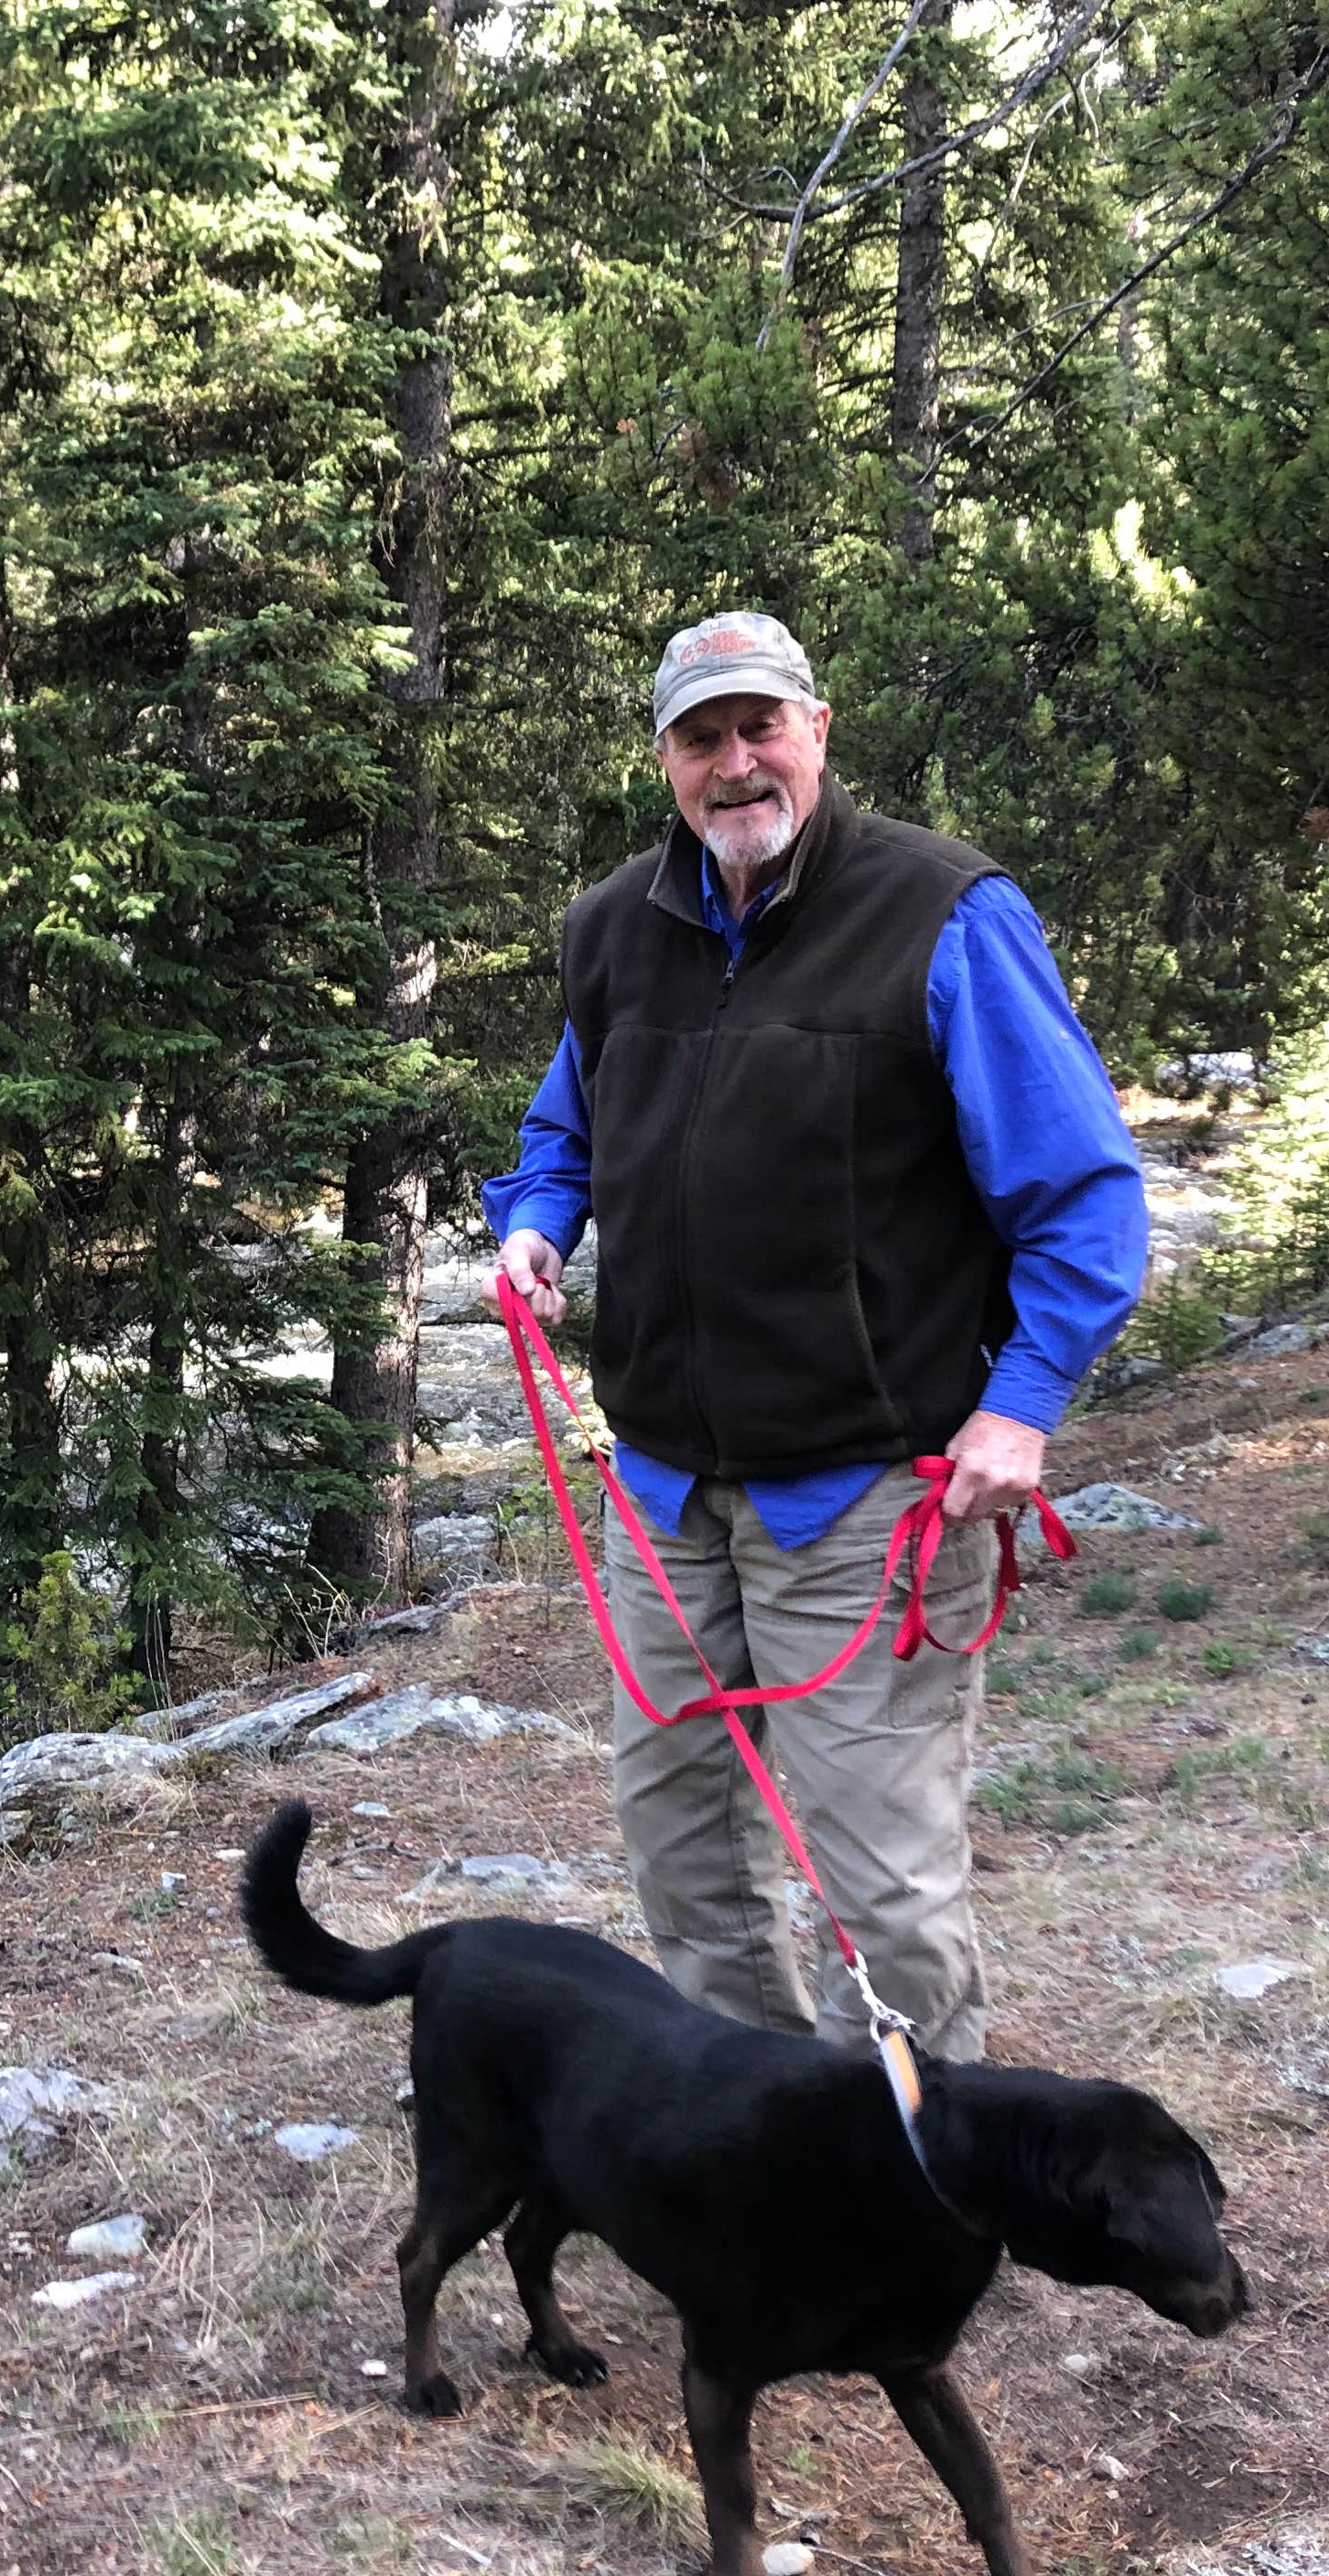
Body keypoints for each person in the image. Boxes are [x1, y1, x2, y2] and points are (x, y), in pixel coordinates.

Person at [485, 611, 1146, 2061]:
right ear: (665, 758)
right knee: (687, 1865)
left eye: (759, 727)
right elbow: (563, 1131)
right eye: (701, 737)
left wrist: (1023, 1402)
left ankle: (910, 2174)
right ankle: (758, 2146)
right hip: (663, 1493)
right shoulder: (613, 929)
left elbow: (1086, 1196)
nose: (735, 763)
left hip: (865, 1497)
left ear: (818, 729)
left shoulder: (945, 911)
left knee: (880, 1891)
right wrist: (538, 1223)